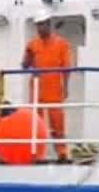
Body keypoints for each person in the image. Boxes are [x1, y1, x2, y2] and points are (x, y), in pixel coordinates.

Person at [22, 10, 72, 163]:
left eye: (42, 25)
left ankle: (62, 153)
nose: (40, 28)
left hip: (54, 88)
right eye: (38, 25)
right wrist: (28, 59)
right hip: (37, 89)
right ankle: (37, 154)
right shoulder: (32, 45)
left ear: (49, 25)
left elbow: (67, 68)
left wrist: (66, 87)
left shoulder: (62, 44)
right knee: (37, 124)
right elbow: (24, 66)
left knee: (58, 124)